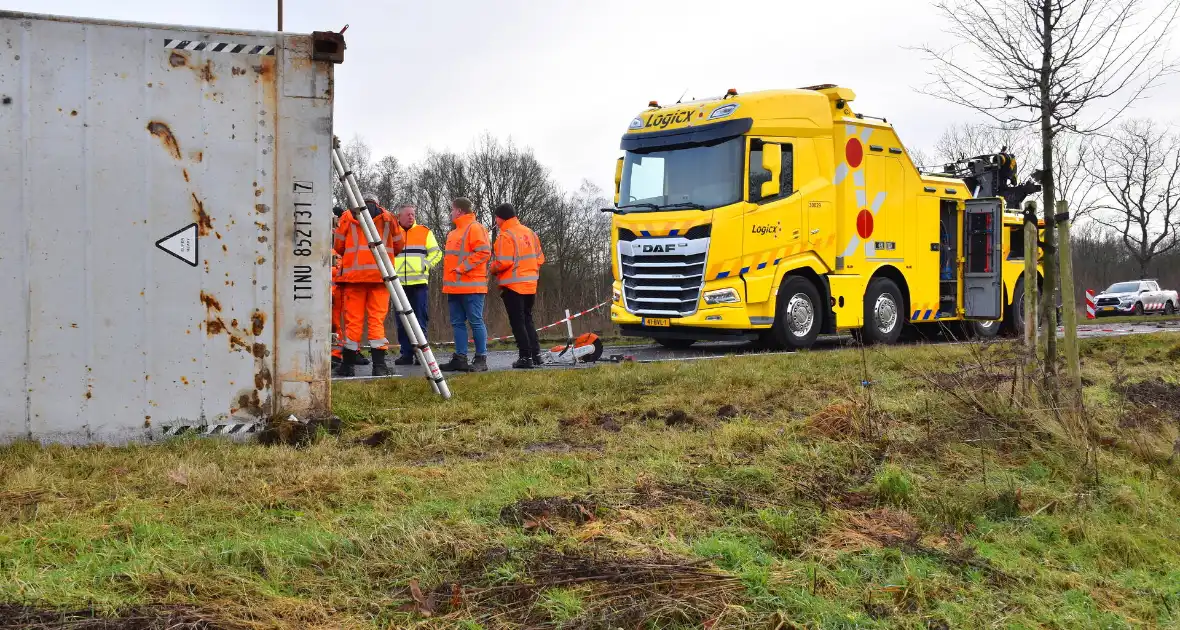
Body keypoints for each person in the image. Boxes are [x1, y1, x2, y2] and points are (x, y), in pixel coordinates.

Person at [332, 193, 404, 377]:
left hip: (354, 278)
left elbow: (338, 245)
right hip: (380, 277)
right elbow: (398, 245)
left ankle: (348, 366)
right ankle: (379, 366)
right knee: (376, 320)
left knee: (353, 322)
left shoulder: (348, 216)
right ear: (378, 203)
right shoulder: (389, 218)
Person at [490, 203, 545, 369]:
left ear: (500, 218)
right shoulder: (530, 233)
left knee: (517, 322)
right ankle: (536, 355)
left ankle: (525, 357)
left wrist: (491, 267)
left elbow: (503, 262)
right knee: (528, 319)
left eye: (496, 218)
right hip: (531, 284)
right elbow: (540, 258)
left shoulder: (505, 235)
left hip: (513, 285)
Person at [440, 197, 491, 372]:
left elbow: (484, 252)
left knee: (475, 321)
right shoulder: (453, 233)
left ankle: (480, 359)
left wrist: (462, 268)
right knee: (457, 323)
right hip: (454, 287)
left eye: (452, 210)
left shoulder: (475, 228)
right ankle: (460, 358)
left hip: (472, 286)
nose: (450, 213)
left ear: (459, 211)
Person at [391, 203, 442, 366]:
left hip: (419, 283)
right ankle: (406, 354)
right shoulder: (393, 232)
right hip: (398, 284)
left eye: (413, 214)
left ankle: (422, 355)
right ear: (399, 216)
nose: (411, 217)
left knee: (420, 320)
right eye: (408, 214)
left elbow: (437, 252)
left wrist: (426, 264)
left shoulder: (424, 231)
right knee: (401, 321)